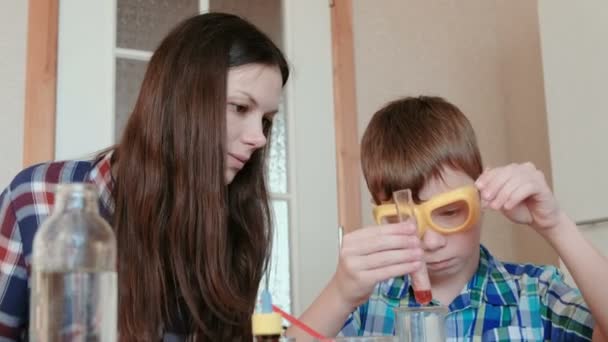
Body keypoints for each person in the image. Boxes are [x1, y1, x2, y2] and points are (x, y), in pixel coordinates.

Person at [0, 12, 289, 341]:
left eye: (266, 120)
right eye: (240, 107)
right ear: (180, 101)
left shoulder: (232, 223)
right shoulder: (39, 198)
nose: (260, 138)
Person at [288, 96, 608, 341]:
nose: (431, 241)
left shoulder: (537, 294)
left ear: (482, 194)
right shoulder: (364, 306)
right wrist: (339, 294)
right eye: (406, 220)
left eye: (451, 211)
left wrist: (556, 225)